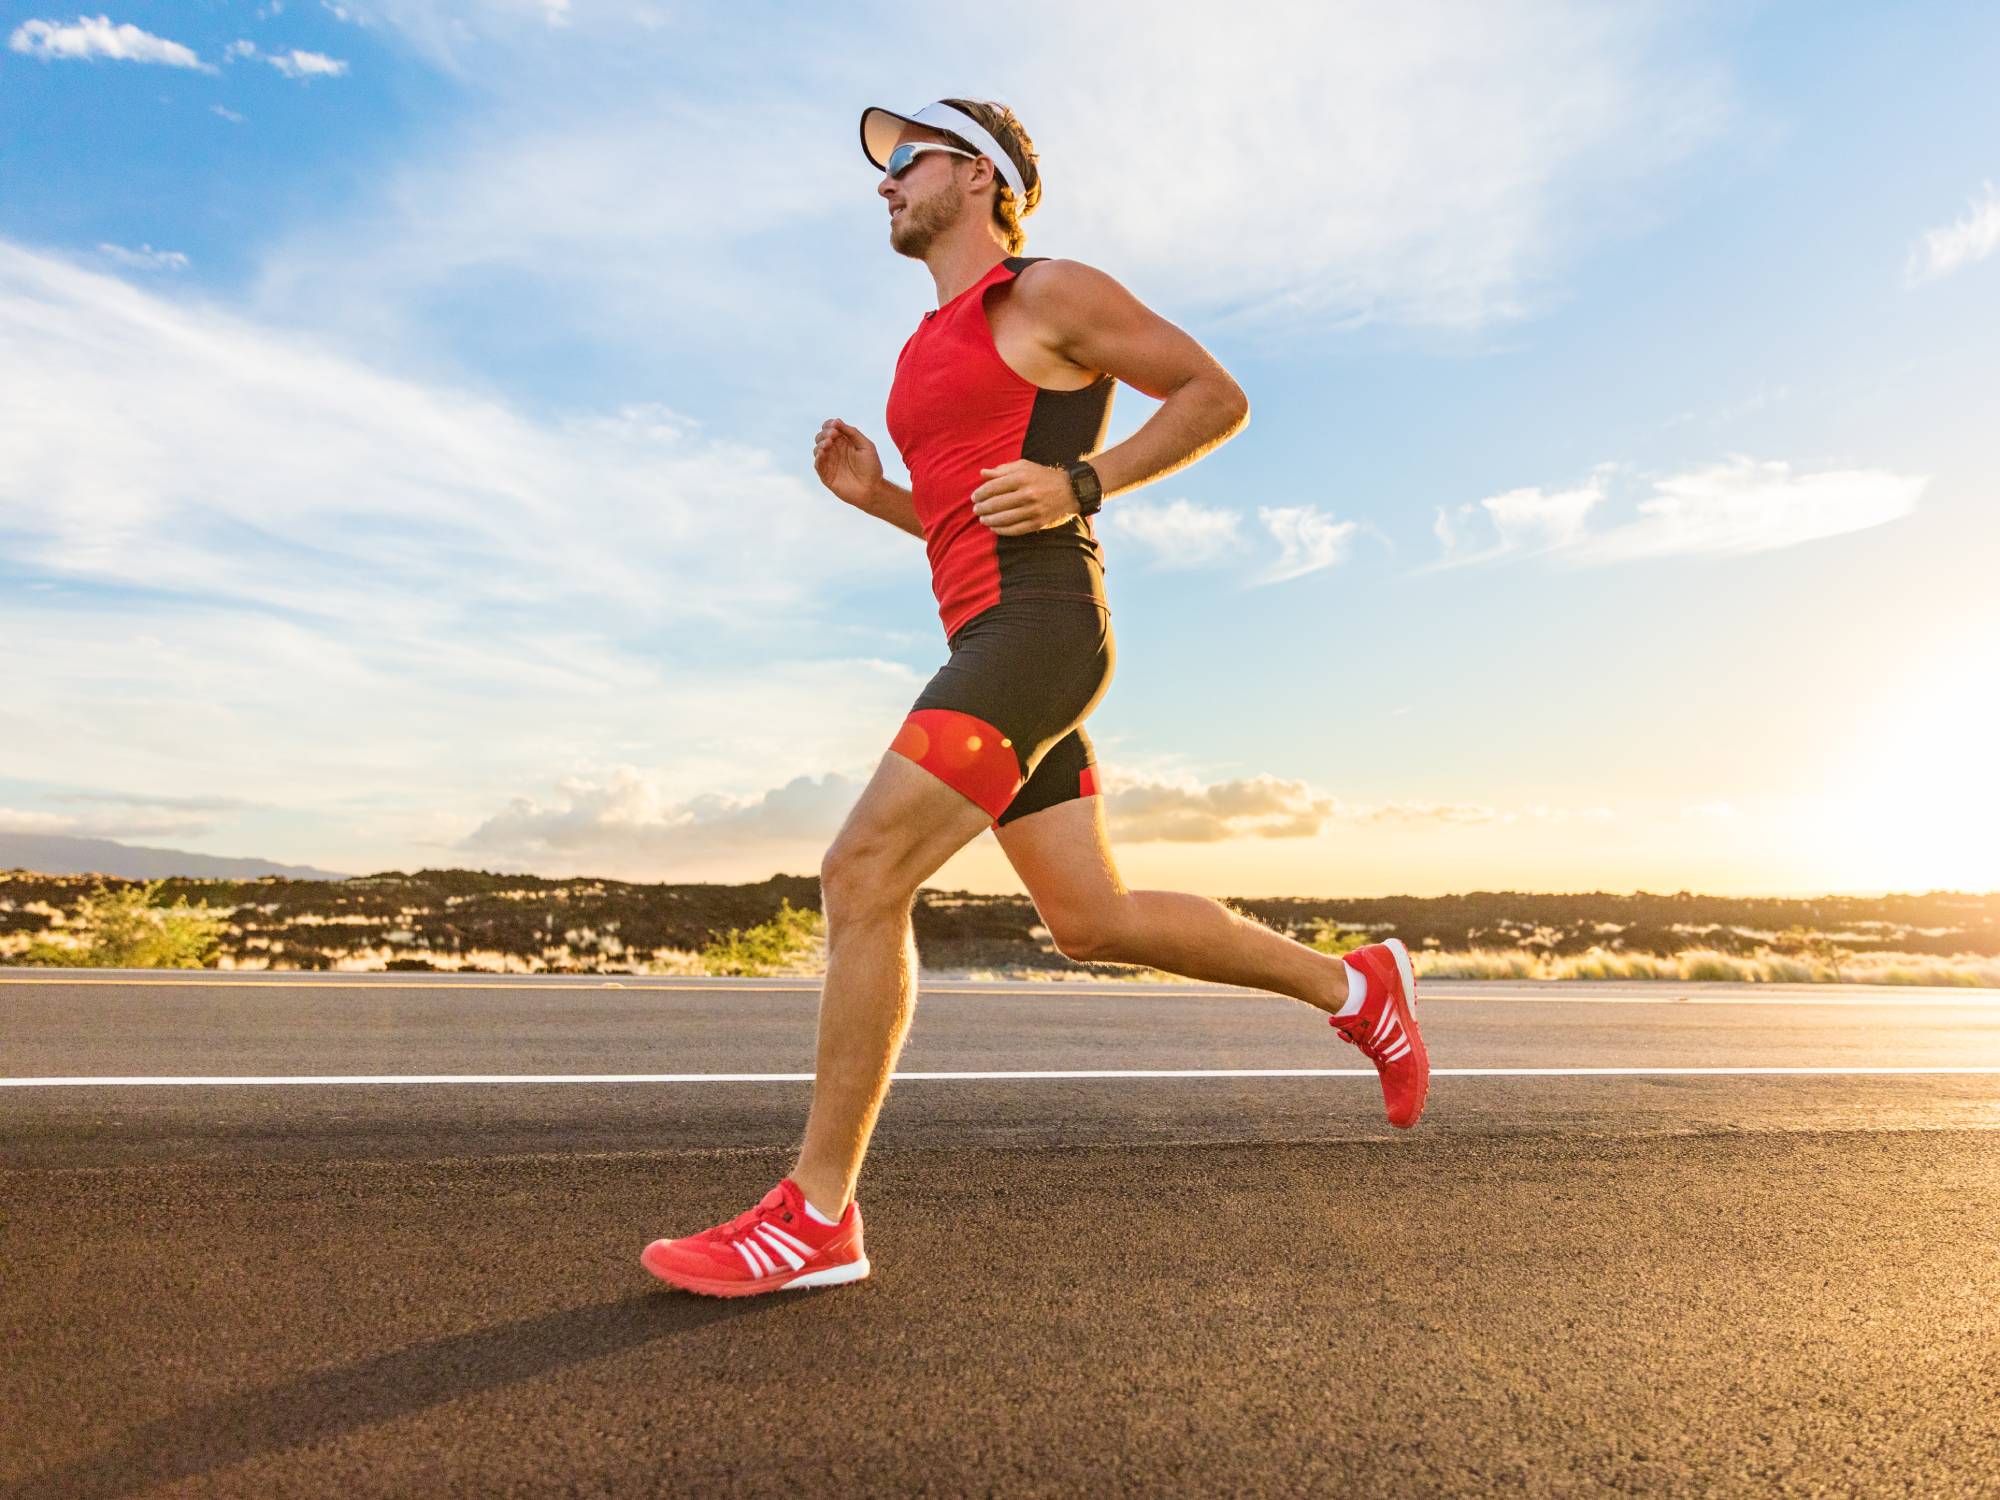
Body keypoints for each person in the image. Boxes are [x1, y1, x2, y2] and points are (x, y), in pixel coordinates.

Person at [641, 98, 1427, 1298]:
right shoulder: (922, 348)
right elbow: (966, 518)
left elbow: (1213, 395)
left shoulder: (1047, 292)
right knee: (1091, 921)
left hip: (1041, 632)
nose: (883, 183)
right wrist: (878, 502)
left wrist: (1085, 480)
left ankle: (815, 1215)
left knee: (861, 875)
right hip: (993, 634)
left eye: (904, 161)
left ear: (977, 175)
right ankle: (1352, 985)